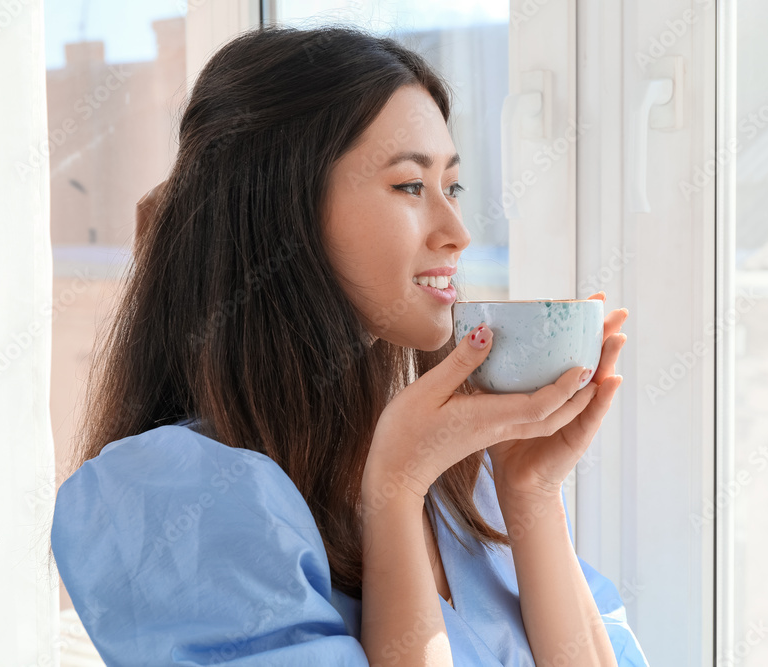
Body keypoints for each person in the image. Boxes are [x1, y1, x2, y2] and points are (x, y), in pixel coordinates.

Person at [49, 24, 650, 667]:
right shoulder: (175, 494)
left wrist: (531, 493)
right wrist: (393, 490)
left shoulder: (464, 483)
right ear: (282, 208)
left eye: (452, 187)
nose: (458, 232)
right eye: (409, 186)